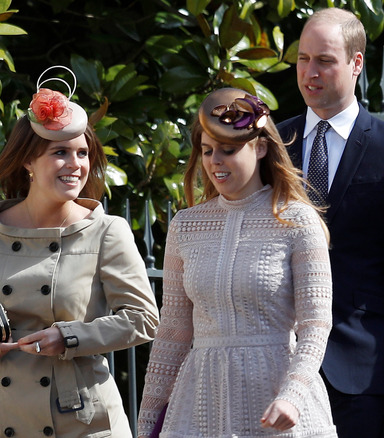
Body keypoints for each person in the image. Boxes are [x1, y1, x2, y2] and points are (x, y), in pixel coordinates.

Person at [0, 66, 160, 437]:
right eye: (60, 152)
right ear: (28, 160)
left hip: (79, 420)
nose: (75, 165)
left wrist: (69, 337)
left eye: (82, 153)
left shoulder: (107, 230)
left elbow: (144, 319)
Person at [137, 88, 337, 438]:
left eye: (228, 150)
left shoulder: (298, 220)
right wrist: (146, 423)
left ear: (260, 147)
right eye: (207, 151)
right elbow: (173, 332)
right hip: (200, 403)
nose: (215, 161)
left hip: (278, 398)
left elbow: (316, 323)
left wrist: (293, 395)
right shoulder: (186, 225)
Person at [276, 8, 384, 437]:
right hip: (275, 360)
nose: (310, 72)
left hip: (359, 371)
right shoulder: (271, 144)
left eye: (325, 60)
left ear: (356, 63)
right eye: (303, 59)